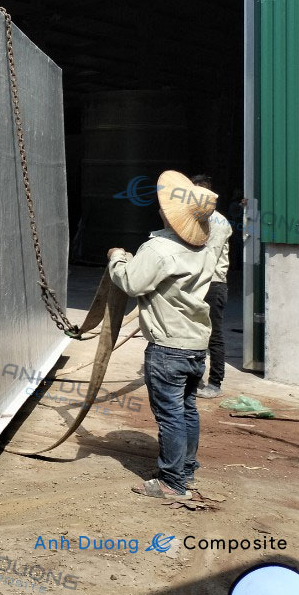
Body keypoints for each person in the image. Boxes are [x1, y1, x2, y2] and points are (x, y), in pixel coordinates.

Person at [107, 169, 216, 499]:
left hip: (168, 348)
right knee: (187, 409)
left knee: (170, 416)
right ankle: (187, 470)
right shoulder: (205, 248)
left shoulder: (157, 249)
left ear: (168, 213)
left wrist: (117, 258)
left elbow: (131, 282)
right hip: (195, 344)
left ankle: (171, 482)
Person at [190, 174, 232, 398]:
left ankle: (215, 382)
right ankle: (194, 377)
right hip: (197, 282)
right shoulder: (195, 219)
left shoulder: (218, 222)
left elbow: (209, 257)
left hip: (212, 283)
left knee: (213, 335)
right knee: (194, 332)